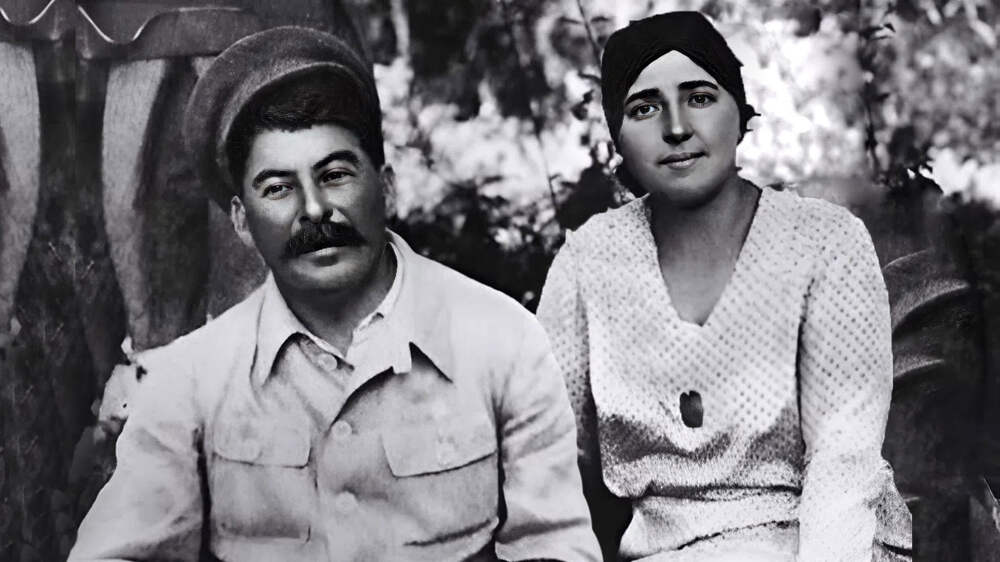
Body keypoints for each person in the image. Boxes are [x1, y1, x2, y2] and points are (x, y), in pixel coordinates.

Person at [70, 26, 600, 562]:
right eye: (278, 188)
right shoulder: (192, 377)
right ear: (242, 221)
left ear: (386, 187)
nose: (314, 210)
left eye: (335, 175)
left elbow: (556, 547)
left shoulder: (502, 340)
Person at [537, 11, 912, 562]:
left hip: (819, 543)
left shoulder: (824, 242)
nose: (676, 127)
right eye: (644, 108)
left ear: (739, 113)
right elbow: (552, 457)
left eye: (700, 97)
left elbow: (844, 458)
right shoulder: (588, 261)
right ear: (617, 135)